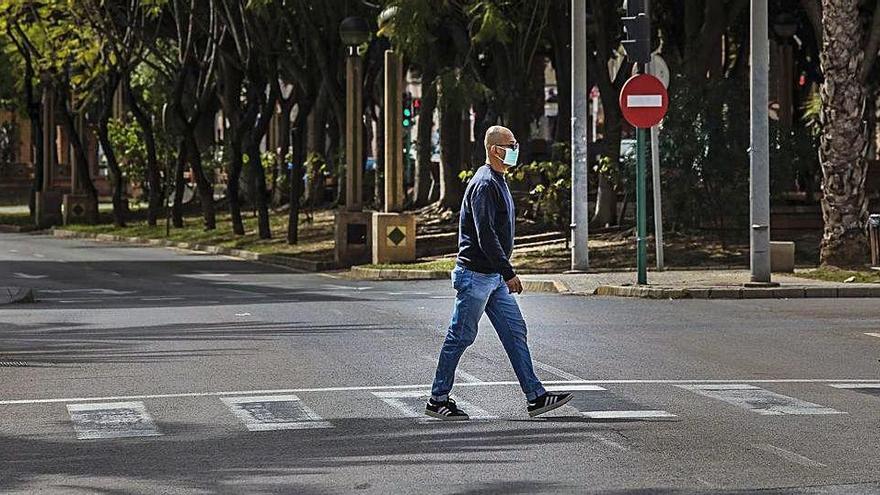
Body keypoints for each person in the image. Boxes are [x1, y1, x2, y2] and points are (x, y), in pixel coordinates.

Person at [425, 125, 573, 420]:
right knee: (461, 336)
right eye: (511, 143)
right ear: (494, 149)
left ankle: (536, 397)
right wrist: (509, 272)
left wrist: (501, 274)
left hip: (492, 278)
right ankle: (437, 398)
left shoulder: (498, 179)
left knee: (514, 331)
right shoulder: (484, 184)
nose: (516, 147)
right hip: (477, 276)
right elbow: (486, 236)